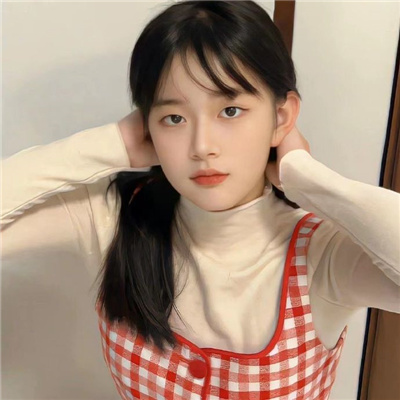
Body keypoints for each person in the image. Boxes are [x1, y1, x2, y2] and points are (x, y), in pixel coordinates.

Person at [2, 1, 399, 399]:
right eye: (174, 118)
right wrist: (110, 145)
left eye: (230, 110)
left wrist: (309, 180)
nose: (202, 146)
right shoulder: (114, 217)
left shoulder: (323, 253)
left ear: (281, 118)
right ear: (146, 126)